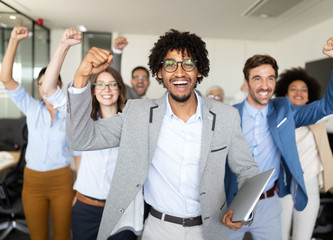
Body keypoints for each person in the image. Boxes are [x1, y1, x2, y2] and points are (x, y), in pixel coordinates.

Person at [65, 29, 259, 240]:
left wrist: (244, 211)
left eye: (188, 64)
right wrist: (81, 77)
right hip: (159, 229)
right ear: (159, 72)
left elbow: (247, 169)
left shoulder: (225, 116)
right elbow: (81, 138)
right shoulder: (137, 114)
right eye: (169, 65)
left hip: (210, 230)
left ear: (199, 70)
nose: (179, 72)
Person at [224, 36, 333, 240]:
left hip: (270, 204)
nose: (265, 85)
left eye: (270, 78)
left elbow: (329, 106)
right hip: (233, 203)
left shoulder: (284, 111)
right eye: (257, 78)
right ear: (246, 81)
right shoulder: (229, 115)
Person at [42, 29, 136, 240]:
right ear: (92, 90)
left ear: (120, 90)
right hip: (86, 206)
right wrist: (63, 45)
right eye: (100, 84)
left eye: (112, 84)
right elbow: (48, 89)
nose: (106, 89)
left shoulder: (132, 123)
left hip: (121, 210)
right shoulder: (83, 121)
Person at [0, 26, 80, 240]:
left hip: (62, 179)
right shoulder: (32, 108)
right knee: (38, 236)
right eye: (41, 85)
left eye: (50, 83)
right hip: (32, 180)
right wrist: (14, 41)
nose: (45, 89)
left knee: (63, 235)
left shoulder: (69, 112)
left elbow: (80, 151)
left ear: (59, 85)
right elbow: (6, 79)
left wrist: (80, 188)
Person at [274, 67, 333, 240]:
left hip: (309, 183)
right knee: (278, 234)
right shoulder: (276, 118)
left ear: (309, 95)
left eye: (304, 90)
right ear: (284, 94)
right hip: (283, 183)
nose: (299, 93)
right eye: (293, 89)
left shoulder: (317, 117)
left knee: (303, 236)